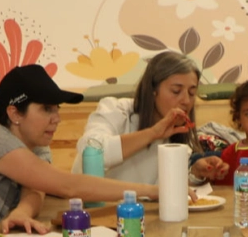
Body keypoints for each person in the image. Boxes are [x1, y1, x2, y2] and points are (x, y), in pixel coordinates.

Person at [0, 65, 161, 237]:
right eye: (46, 109)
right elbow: (68, 185)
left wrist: (23, 211)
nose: (56, 118)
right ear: (15, 113)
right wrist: (151, 191)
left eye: (57, 109)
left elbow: (36, 188)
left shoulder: (37, 143)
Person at [71, 50, 228, 186]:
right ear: (153, 90)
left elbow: (162, 190)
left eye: (192, 93)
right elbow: (90, 150)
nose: (186, 100)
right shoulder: (117, 110)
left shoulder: (178, 132)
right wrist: (153, 133)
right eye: (175, 91)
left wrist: (196, 173)